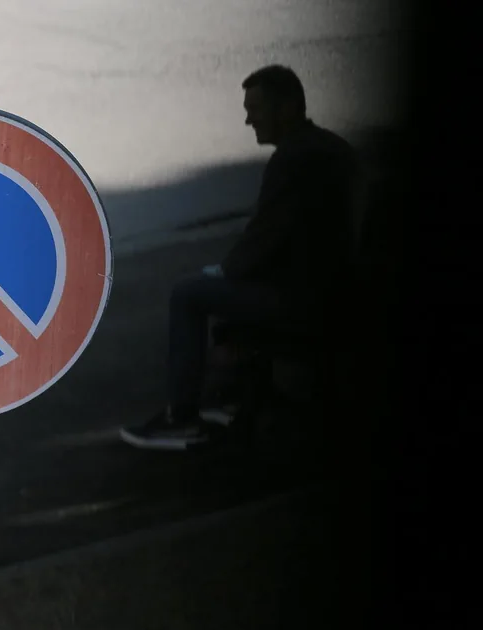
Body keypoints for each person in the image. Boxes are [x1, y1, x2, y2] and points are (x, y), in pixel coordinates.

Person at [120, 64, 359, 450]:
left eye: (257, 109)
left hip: (306, 300)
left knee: (189, 294)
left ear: (287, 108)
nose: (248, 120)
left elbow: (265, 240)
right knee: (222, 287)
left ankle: (181, 417)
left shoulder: (292, 161)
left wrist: (225, 273)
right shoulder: (332, 147)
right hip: (334, 288)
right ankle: (232, 398)